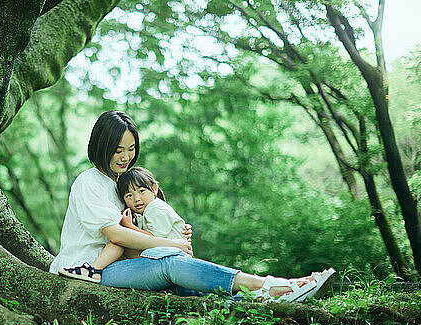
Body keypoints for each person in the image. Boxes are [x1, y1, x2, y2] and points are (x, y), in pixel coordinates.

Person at [50, 110, 335, 302]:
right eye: (118, 150)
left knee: (181, 279)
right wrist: (170, 245)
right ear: (101, 146)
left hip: (118, 266)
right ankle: (269, 286)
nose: (126, 157)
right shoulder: (89, 182)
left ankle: (268, 296)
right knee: (171, 264)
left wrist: (169, 238)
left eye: (131, 148)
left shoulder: (123, 185)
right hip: (86, 270)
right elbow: (117, 235)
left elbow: (132, 241)